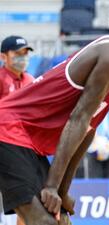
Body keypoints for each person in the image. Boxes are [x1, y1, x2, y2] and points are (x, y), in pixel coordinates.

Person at [0, 2, 109, 225]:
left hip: (28, 140)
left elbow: (87, 128)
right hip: (8, 129)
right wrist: (52, 187)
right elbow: (79, 119)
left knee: (58, 219)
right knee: (42, 221)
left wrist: (62, 190)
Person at [0, 35, 35, 225]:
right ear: (3, 57)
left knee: (27, 198)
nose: (22, 58)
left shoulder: (30, 79)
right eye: (17, 53)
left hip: (24, 147)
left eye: (25, 53)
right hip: (4, 146)